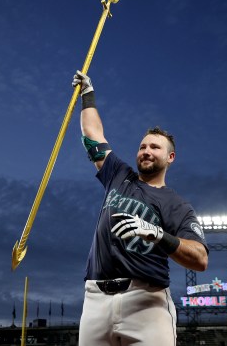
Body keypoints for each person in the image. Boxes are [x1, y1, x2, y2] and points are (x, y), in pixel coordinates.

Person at [72, 70, 209, 346]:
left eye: (154, 147)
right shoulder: (119, 175)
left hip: (147, 301)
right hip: (95, 299)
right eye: (142, 146)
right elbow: (92, 134)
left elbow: (200, 258)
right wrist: (88, 94)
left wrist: (159, 235)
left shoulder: (178, 205)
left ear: (170, 157)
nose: (146, 150)